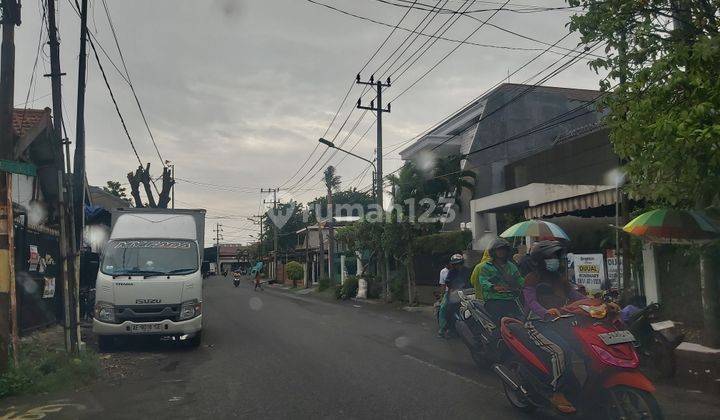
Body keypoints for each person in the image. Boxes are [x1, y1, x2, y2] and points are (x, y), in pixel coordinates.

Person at [522, 240, 585, 414]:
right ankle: (556, 392)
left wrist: (597, 304)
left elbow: (575, 295)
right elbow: (531, 302)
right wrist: (545, 312)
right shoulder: (532, 279)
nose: (554, 260)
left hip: (561, 322)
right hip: (536, 323)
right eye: (549, 257)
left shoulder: (560, 279)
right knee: (561, 350)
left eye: (555, 257)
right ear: (540, 260)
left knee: (585, 347)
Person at [472, 238, 524, 323]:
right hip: (494, 300)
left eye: (503, 249)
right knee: (499, 323)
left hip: (511, 299)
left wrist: (528, 284)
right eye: (498, 250)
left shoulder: (511, 266)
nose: (501, 252)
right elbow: (483, 281)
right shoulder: (486, 267)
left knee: (521, 320)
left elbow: (519, 278)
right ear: (493, 252)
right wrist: (493, 287)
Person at [438, 254, 470, 338]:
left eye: (459, 263)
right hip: (454, 293)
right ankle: (447, 328)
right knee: (447, 309)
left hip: (467, 293)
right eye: (455, 264)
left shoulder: (467, 271)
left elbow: (471, 282)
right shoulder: (451, 272)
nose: (457, 266)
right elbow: (448, 283)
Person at [436, 262, 451, 337]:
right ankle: (443, 329)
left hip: (460, 292)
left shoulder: (458, 270)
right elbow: (443, 285)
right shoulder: (443, 272)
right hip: (448, 293)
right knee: (443, 308)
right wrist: (442, 296)